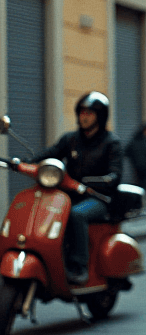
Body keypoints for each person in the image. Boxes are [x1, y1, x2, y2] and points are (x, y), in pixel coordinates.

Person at [34, 92, 123, 287]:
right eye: (82, 112)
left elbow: (115, 174)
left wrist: (104, 180)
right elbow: (50, 154)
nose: (84, 117)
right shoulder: (70, 139)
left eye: (90, 113)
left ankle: (79, 266)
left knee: (76, 215)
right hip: (70, 194)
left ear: (100, 116)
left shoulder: (112, 143)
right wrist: (24, 162)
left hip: (98, 198)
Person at [124, 122, 146, 210]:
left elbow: (126, 152)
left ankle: (140, 207)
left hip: (137, 169)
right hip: (144, 169)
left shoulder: (133, 141)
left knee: (139, 188)